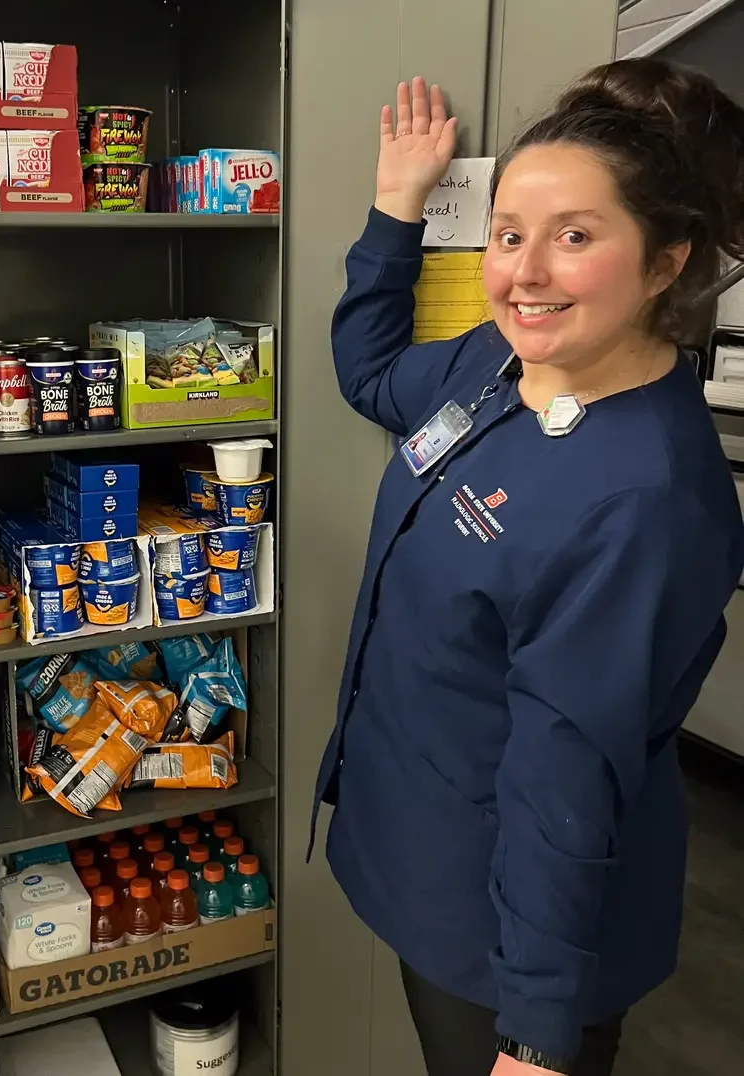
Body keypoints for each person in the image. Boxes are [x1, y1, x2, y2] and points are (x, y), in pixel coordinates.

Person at [310, 62, 744, 1076]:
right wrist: (394, 207)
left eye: (575, 236)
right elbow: (370, 372)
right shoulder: (499, 364)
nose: (523, 272)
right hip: (426, 858)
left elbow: (567, 774)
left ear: (665, 263)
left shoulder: (639, 500)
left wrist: (535, 1031)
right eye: (509, 234)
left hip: (507, 938)